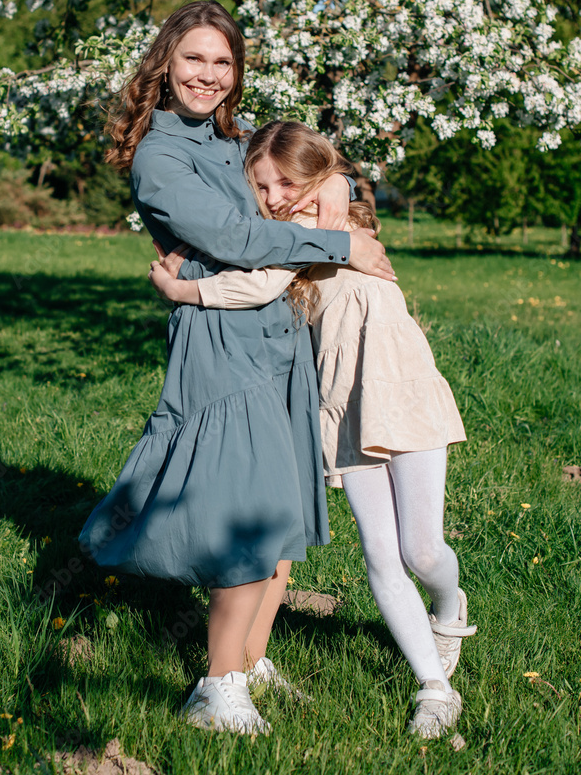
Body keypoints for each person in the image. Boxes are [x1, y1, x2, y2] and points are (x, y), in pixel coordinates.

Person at [79, 3, 394, 736]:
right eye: (194, 59)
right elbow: (231, 235)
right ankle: (216, 687)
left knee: (284, 515)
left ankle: (250, 660)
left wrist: (336, 199)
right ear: (165, 64)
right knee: (246, 513)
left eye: (222, 62)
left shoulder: (235, 140)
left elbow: (316, 172)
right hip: (221, 341)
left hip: (281, 335)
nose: (208, 75)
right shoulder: (161, 156)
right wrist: (343, 246)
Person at [149, 120, 477, 740]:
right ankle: (435, 689)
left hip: (402, 386)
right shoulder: (293, 238)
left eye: (287, 183)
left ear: (316, 176)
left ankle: (447, 605)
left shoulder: (332, 221)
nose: (276, 198)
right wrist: (188, 283)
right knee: (381, 554)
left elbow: (289, 245)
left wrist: (182, 290)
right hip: (343, 401)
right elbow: (261, 277)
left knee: (424, 551)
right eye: (262, 186)